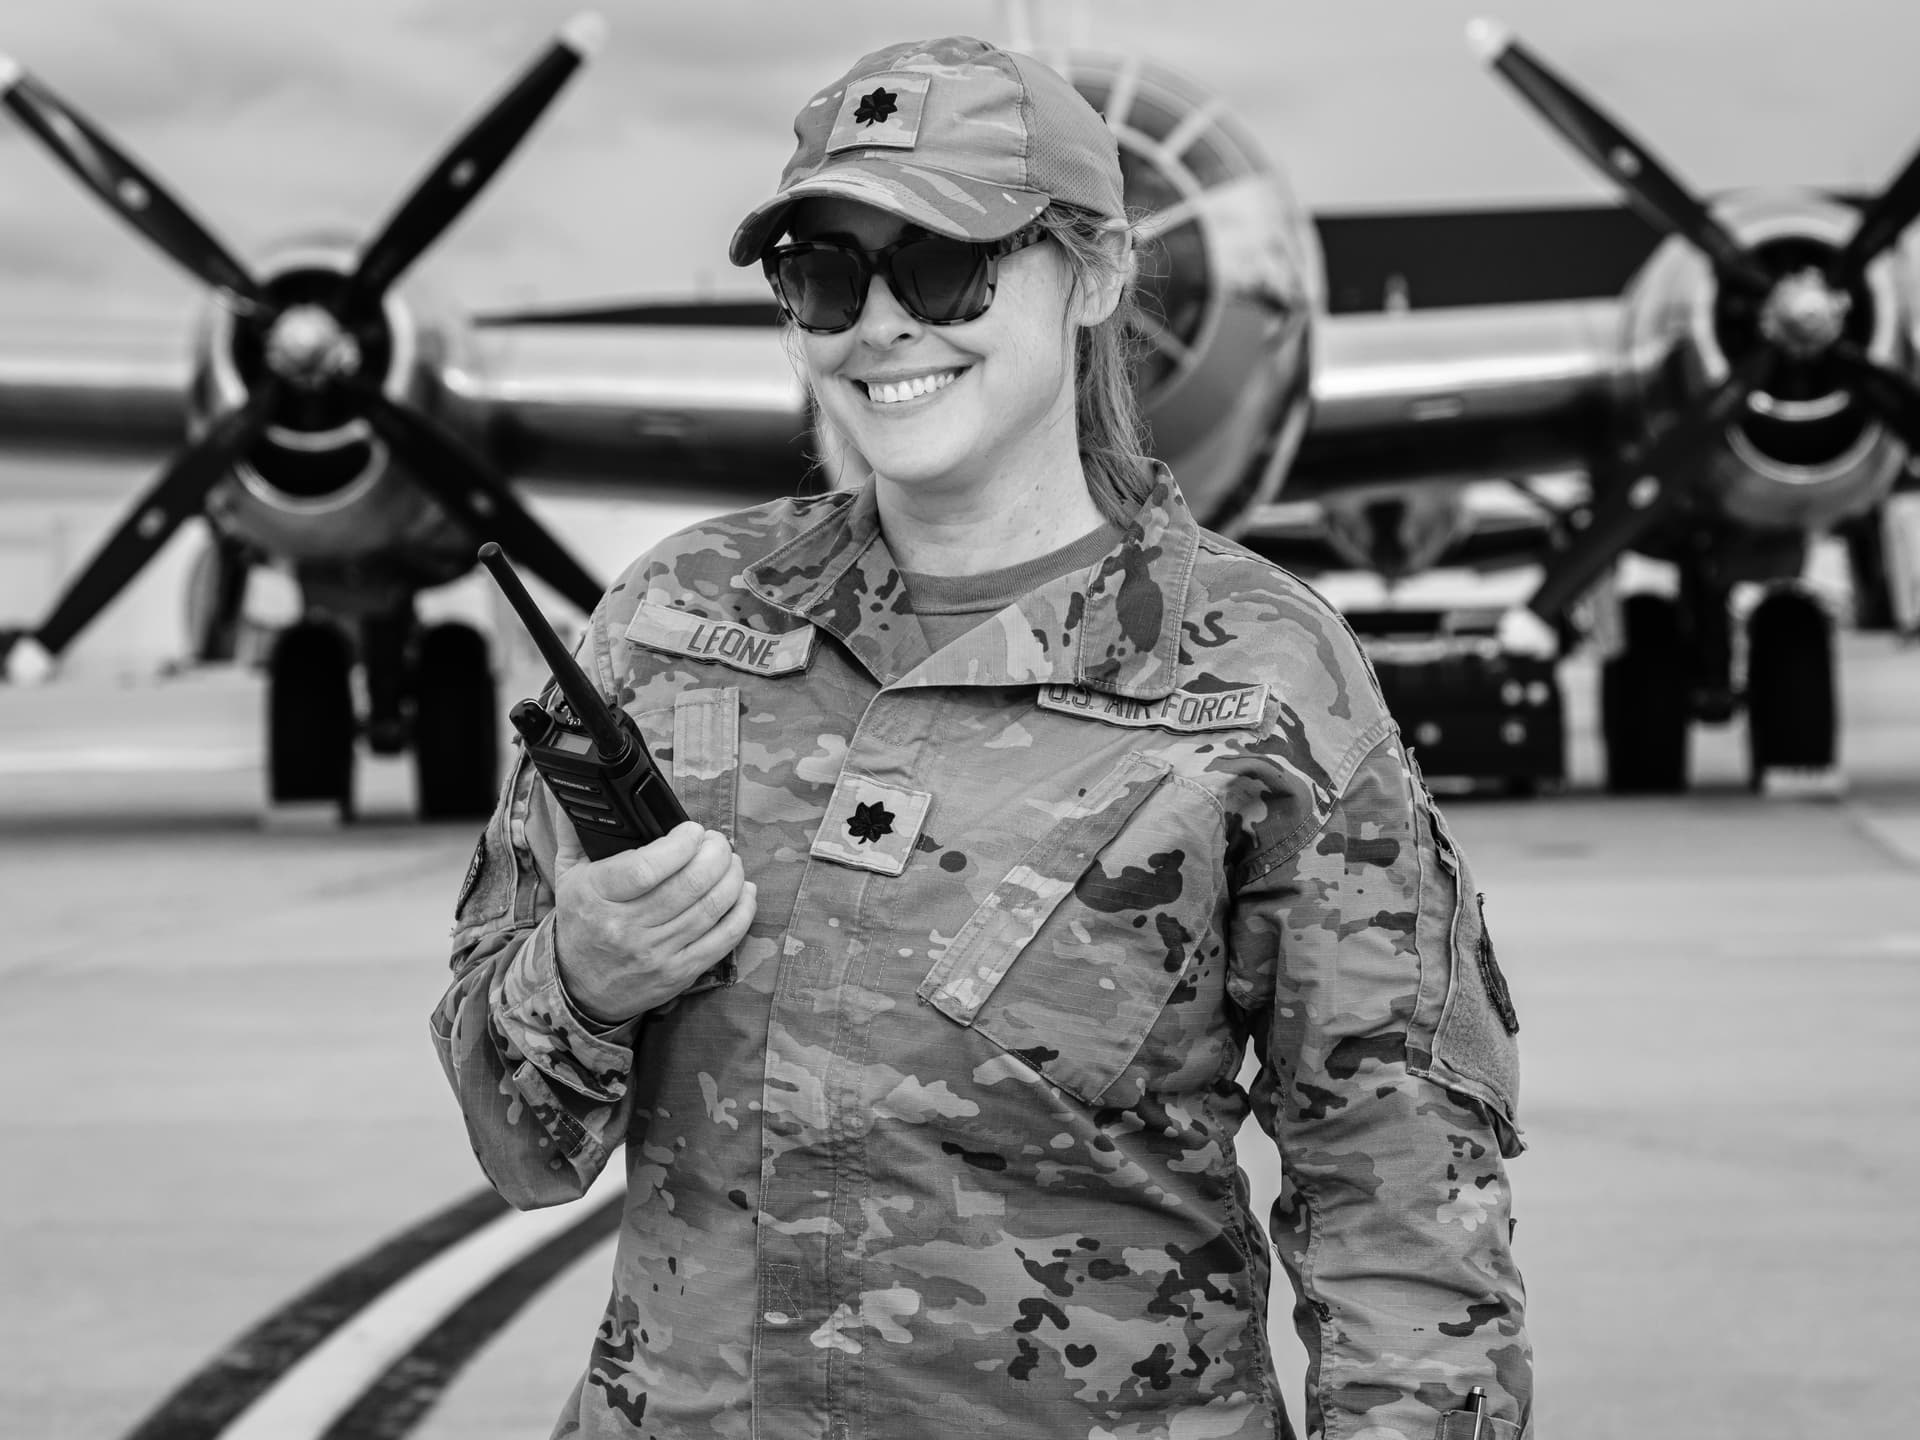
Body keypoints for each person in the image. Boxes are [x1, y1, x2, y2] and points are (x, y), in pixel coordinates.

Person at [432, 34, 1531, 1440]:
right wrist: (580, 980)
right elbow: (517, 1143)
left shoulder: (1266, 679)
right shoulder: (671, 622)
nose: (882, 325)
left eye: (946, 266)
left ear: (1097, 272)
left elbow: (1405, 1216)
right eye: (825, 276)